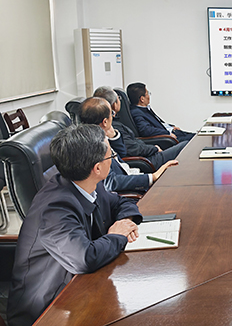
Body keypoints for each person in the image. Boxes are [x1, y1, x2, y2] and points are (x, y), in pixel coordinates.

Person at [7, 124, 142, 326]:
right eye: (111, 155)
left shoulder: (87, 183)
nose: (113, 158)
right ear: (97, 168)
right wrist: (117, 236)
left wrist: (125, 222)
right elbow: (84, 258)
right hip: (47, 309)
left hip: (79, 288)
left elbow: (121, 202)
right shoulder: (54, 208)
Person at [79, 97, 178, 192]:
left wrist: (114, 136)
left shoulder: (100, 136)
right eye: (111, 113)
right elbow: (111, 182)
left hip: (132, 173)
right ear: (105, 122)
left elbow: (122, 153)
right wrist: (153, 177)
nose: (113, 116)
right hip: (131, 188)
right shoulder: (93, 147)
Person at [93, 86, 187, 169]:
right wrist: (154, 148)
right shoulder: (112, 127)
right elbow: (131, 149)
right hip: (146, 160)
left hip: (146, 154)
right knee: (186, 146)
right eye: (119, 98)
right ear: (114, 104)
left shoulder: (114, 122)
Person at [127, 82, 194, 142]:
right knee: (196, 140)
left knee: (197, 136)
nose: (149, 96)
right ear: (142, 99)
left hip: (171, 131)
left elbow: (157, 123)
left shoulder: (144, 108)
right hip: (168, 137)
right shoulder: (136, 112)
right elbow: (146, 130)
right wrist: (167, 133)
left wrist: (170, 127)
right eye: (147, 94)